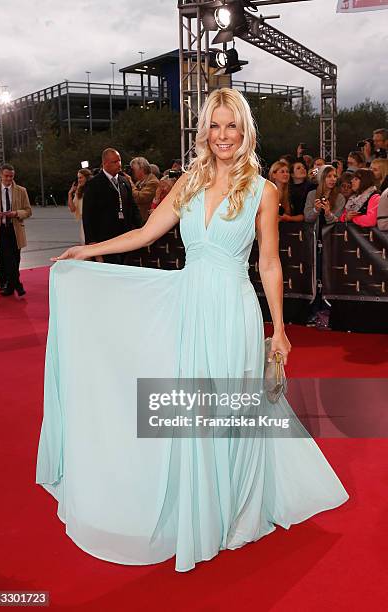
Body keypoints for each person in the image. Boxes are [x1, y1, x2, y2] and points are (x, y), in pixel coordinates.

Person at [36, 88, 349, 573]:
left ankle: (237, 510)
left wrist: (281, 330)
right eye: (216, 126)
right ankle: (201, 509)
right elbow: (145, 234)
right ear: (204, 131)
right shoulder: (188, 183)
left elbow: (268, 263)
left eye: (233, 126)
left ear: (245, 132)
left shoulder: (263, 191)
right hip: (190, 305)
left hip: (233, 311)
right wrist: (90, 249)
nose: (223, 136)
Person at [82, 148, 143, 264]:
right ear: (105, 164)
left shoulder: (124, 181)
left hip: (125, 237)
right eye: (115, 162)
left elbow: (132, 206)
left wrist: (141, 228)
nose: (119, 164)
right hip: (104, 239)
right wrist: (91, 242)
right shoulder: (94, 184)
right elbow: (88, 215)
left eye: (119, 161)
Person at [0, 163, 32, 296]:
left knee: (15, 258)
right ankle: (18, 285)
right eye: (6, 176)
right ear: (0, 175)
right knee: (7, 257)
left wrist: (16, 213)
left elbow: (28, 211)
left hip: (15, 229)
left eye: (11, 176)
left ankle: (10, 286)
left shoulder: (21, 190)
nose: (9, 179)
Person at [304, 165, 345, 327]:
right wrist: (315, 209)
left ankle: (326, 312)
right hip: (313, 242)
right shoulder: (312, 195)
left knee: (327, 276)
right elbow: (307, 217)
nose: (332, 179)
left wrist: (328, 212)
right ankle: (313, 312)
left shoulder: (339, 197)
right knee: (314, 275)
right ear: (321, 178)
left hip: (331, 243)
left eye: (335, 176)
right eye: (329, 176)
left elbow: (337, 221)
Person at [130, 157, 160, 222]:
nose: (132, 172)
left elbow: (140, 198)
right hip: (138, 219)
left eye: (133, 169)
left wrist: (130, 183)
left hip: (146, 220)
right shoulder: (139, 182)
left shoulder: (153, 182)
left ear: (141, 169)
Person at [67, 168, 92, 244]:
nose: (79, 180)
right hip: (84, 222)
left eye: (81, 177)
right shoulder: (79, 191)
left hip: (93, 221)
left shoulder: (92, 189)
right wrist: (70, 194)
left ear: (87, 178)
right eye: (78, 178)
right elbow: (72, 209)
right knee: (85, 244)